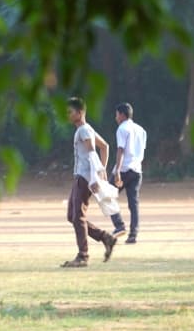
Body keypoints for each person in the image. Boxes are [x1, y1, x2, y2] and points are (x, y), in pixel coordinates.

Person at [61, 97, 119, 268]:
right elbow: (105, 146)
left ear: (80, 113)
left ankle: (83, 256)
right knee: (72, 216)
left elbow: (93, 154)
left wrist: (97, 177)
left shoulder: (83, 131)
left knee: (78, 216)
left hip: (84, 178)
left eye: (70, 112)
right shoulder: (87, 129)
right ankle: (105, 237)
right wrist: (102, 171)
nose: (68, 115)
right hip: (82, 177)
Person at [110, 102, 147, 243]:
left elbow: (121, 150)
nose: (116, 117)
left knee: (107, 195)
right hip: (137, 170)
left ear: (122, 115)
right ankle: (133, 234)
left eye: (117, 114)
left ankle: (119, 225)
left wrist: (118, 171)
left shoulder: (122, 129)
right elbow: (141, 151)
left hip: (124, 168)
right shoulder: (141, 130)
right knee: (134, 203)